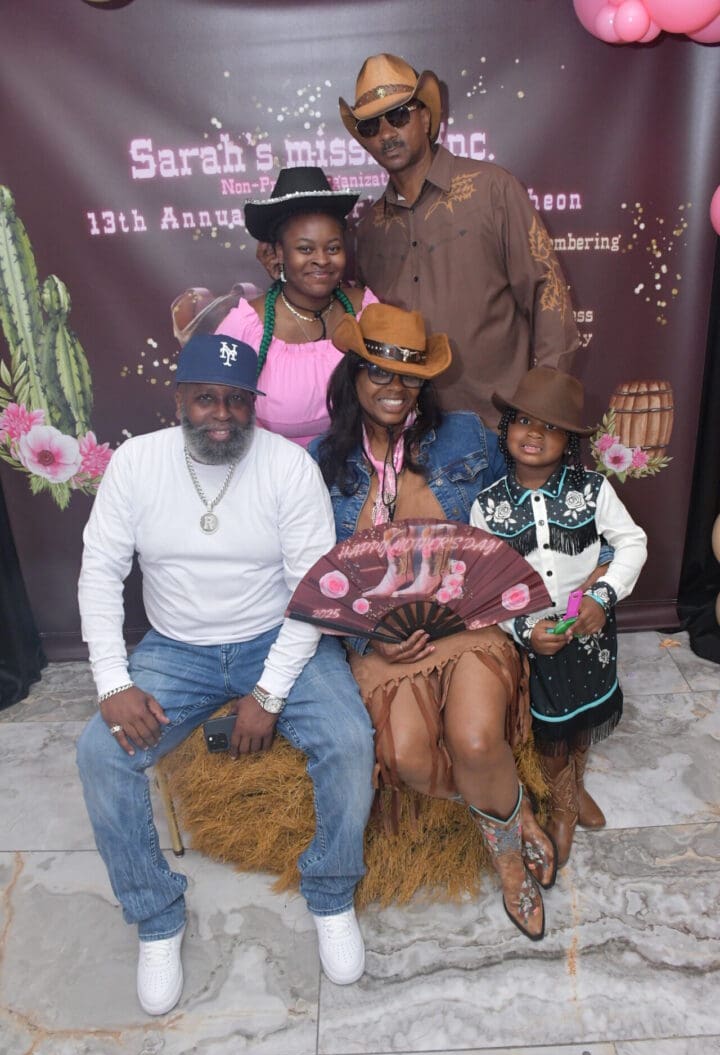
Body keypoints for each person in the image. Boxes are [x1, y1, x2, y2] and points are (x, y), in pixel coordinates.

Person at [76, 333, 375, 1015]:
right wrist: (113, 684)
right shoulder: (136, 463)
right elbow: (99, 574)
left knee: (349, 742)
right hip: (176, 648)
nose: (222, 413)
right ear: (179, 398)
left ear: (254, 406)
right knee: (99, 754)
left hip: (278, 632)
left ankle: (330, 893)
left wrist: (266, 694)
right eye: (206, 396)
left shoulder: (287, 467)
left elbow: (313, 591)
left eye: (238, 400)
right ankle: (156, 916)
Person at [310, 302, 557, 942]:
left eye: (410, 376)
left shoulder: (468, 437)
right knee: (411, 759)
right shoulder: (322, 462)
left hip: (466, 626)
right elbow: (321, 574)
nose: (395, 389)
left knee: (474, 740)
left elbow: (521, 514)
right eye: (379, 372)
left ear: (426, 381)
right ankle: (511, 806)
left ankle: (506, 860)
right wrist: (375, 636)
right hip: (382, 647)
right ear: (353, 375)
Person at [339, 54, 580, 428]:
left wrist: (541, 412)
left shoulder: (491, 189)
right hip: (407, 438)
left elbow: (546, 293)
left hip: (496, 428)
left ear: (425, 116)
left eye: (399, 115)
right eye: (371, 126)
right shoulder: (370, 229)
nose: (386, 133)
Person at [470, 367, 647, 865]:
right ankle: (565, 804)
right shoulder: (487, 506)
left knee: (584, 717)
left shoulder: (593, 489)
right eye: (524, 421)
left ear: (568, 439)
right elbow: (487, 587)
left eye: (550, 426)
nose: (535, 434)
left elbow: (632, 542)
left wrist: (604, 595)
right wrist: (524, 629)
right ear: (506, 430)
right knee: (551, 728)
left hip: (589, 630)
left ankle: (570, 796)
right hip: (538, 636)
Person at [216, 166, 378, 446]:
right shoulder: (244, 327)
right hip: (276, 482)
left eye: (333, 248)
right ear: (279, 252)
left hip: (358, 478)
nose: (322, 260)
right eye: (305, 249)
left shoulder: (366, 308)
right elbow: (214, 416)